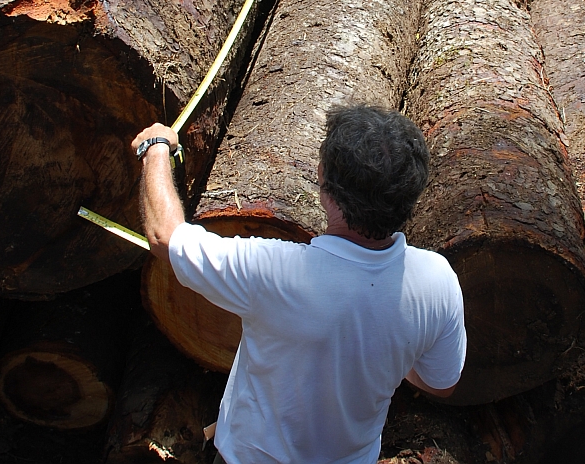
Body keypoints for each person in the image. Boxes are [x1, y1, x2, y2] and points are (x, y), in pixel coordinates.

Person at [132, 104, 467, 464]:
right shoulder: (438, 281)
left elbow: (164, 236)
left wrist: (154, 147)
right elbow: (441, 382)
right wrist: (384, 354)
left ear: (323, 182)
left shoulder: (276, 272)